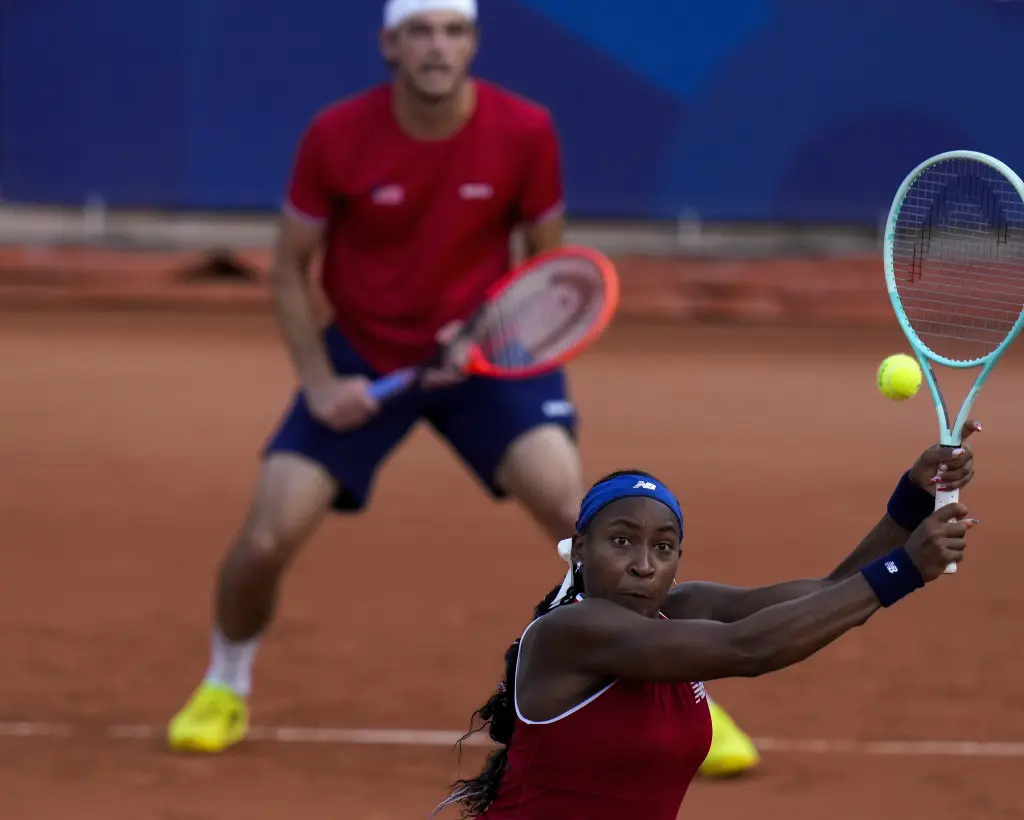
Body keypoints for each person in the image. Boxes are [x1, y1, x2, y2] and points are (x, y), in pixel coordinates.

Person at [165, 0, 760, 777]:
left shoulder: (524, 130)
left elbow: (548, 281)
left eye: (451, 30)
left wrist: (481, 334)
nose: (436, 46)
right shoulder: (336, 135)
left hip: (488, 356)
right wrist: (318, 381)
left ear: (472, 42)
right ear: (391, 44)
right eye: (419, 31)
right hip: (365, 357)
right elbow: (287, 266)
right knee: (267, 537)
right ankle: (225, 684)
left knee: (578, 514)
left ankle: (682, 698)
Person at [437, 423, 981, 819]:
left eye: (663, 547)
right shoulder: (571, 633)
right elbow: (749, 649)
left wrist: (914, 496)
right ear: (580, 550)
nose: (643, 565)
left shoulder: (685, 607)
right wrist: (905, 568)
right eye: (621, 541)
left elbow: (827, 593)